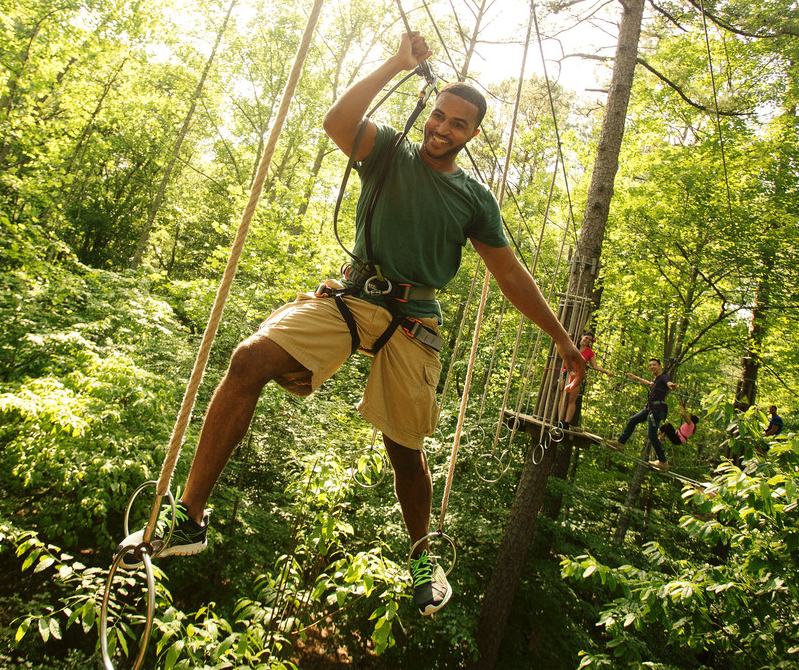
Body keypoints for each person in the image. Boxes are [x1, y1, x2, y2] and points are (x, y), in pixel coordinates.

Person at [122, 31, 586, 617]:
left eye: (457, 124)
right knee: (250, 359)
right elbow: (337, 121)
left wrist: (563, 341)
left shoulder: (473, 199)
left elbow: (511, 275)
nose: (441, 128)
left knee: (404, 449)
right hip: (354, 295)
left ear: (471, 135)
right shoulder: (388, 151)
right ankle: (188, 515)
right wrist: (396, 62)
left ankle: (422, 554)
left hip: (415, 321)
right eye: (438, 115)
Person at [607, 358, 677, 470]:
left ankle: (663, 461)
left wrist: (671, 385)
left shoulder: (664, 377)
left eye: (654, 365)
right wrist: (635, 377)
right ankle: (621, 443)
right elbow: (650, 383)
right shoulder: (657, 379)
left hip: (656, 410)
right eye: (650, 365)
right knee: (632, 420)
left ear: (660, 366)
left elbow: (668, 383)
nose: (652, 367)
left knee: (652, 436)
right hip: (650, 409)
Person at [559, 331, 614, 427]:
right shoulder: (572, 346)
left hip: (577, 376)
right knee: (563, 398)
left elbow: (595, 366)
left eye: (589, 340)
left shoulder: (590, 352)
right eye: (586, 338)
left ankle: (566, 423)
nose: (587, 340)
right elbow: (562, 347)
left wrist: (606, 372)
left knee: (572, 400)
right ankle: (560, 420)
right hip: (566, 373)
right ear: (582, 336)